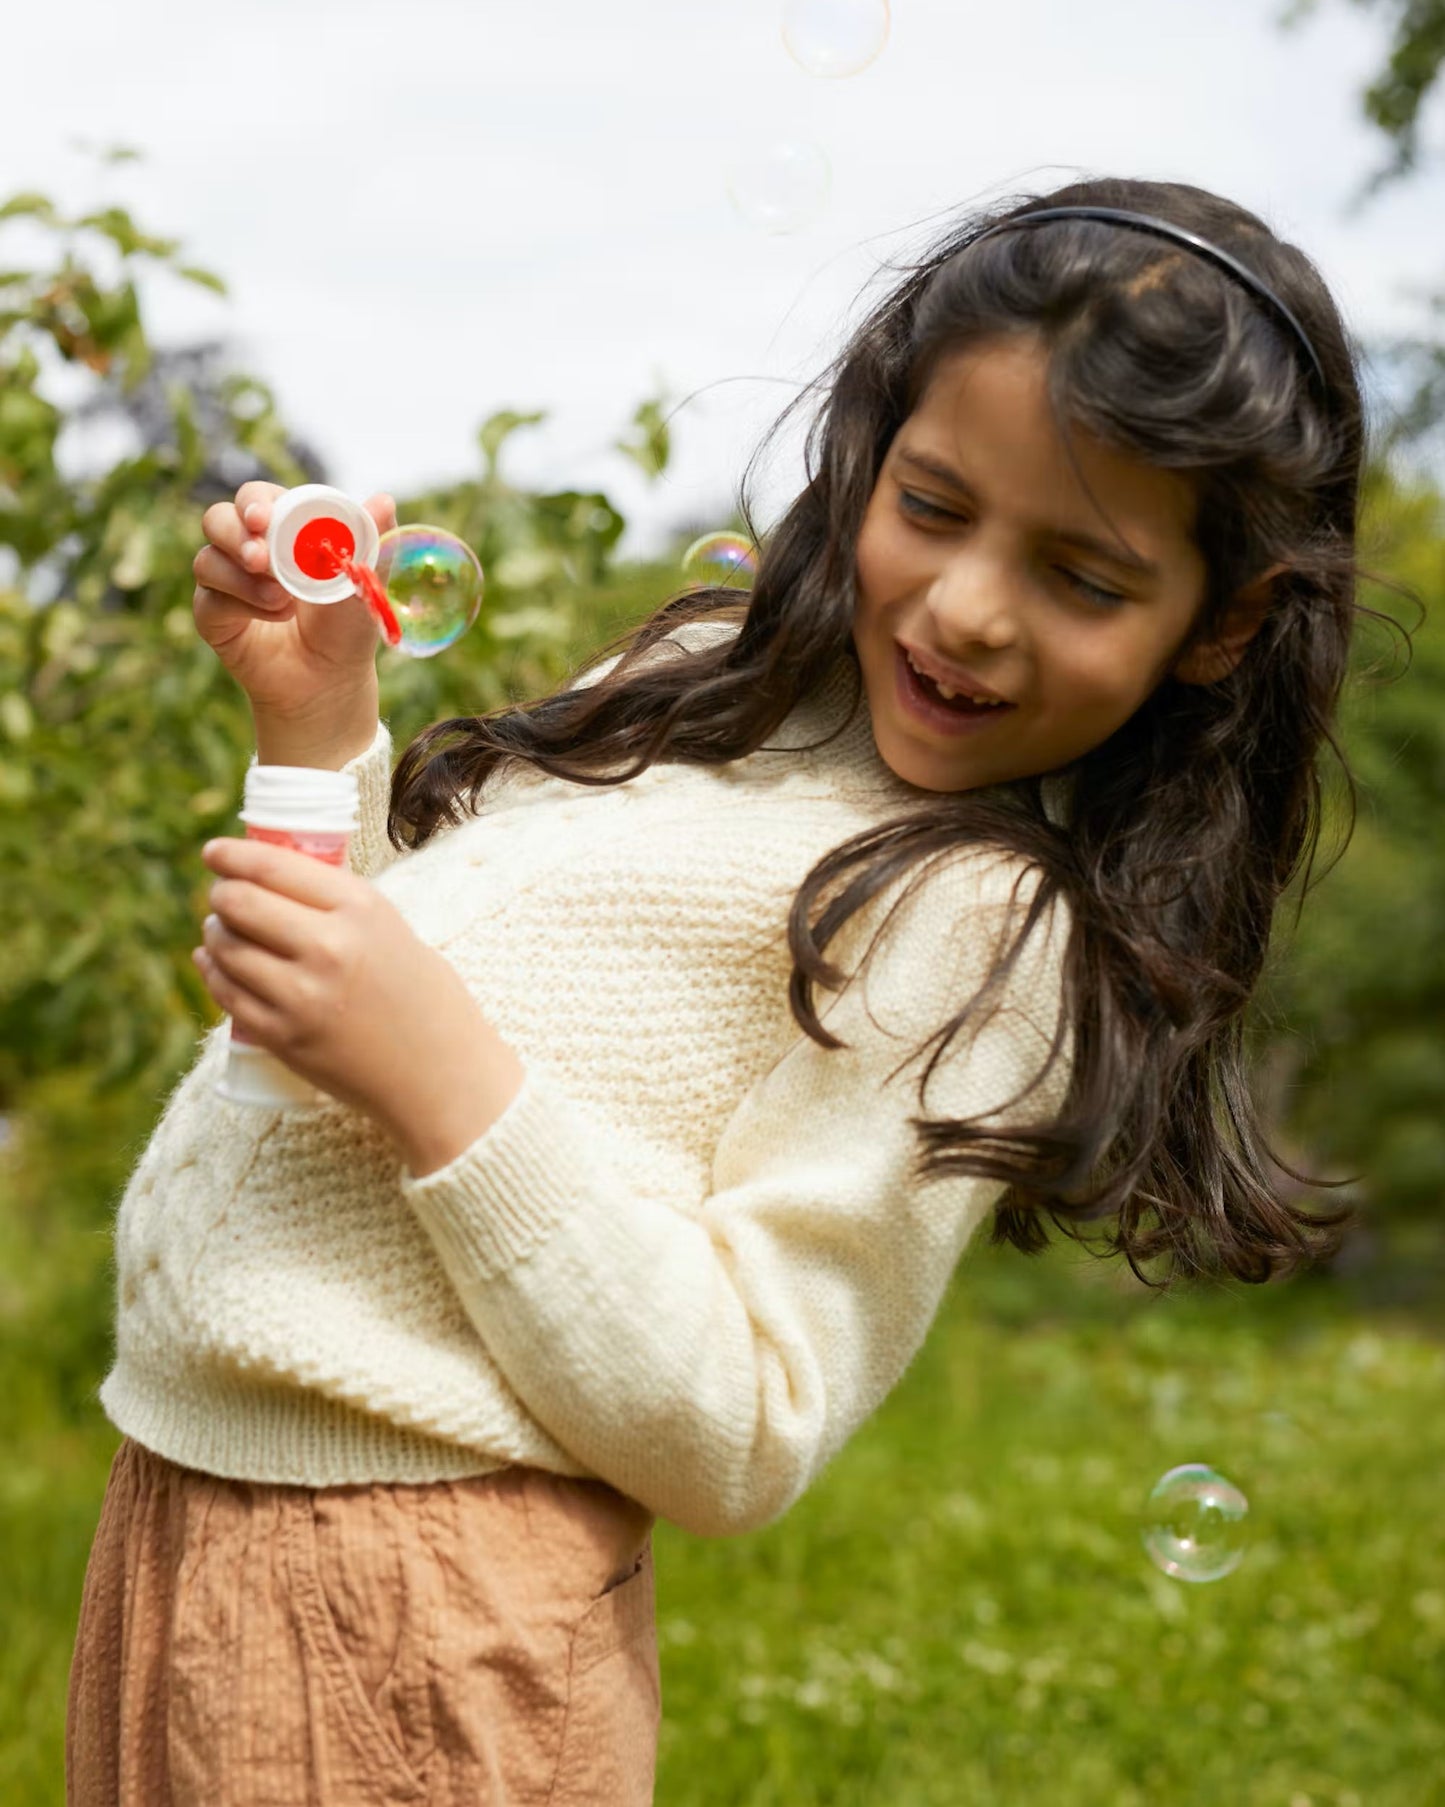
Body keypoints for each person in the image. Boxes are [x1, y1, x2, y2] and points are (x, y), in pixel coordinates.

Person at [67, 174, 1382, 1805]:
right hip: (186, 1521)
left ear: (1218, 625)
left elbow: (742, 1420)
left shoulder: (979, 922)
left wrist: (435, 1077)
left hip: (414, 1604)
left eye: (1084, 577)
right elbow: (354, 1024)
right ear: (868, 448)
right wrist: (318, 731)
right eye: (934, 503)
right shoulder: (698, 684)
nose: (968, 608)